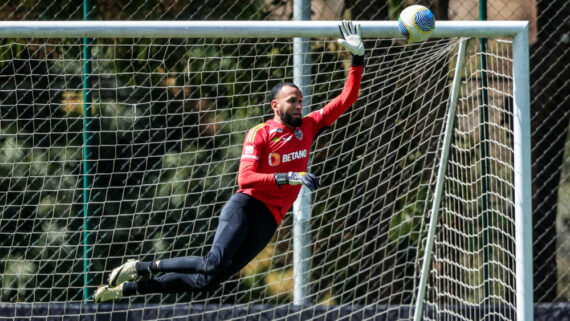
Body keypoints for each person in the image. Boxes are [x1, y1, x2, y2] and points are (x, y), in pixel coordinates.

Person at [94, 20, 365, 303]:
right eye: (292, 100)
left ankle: (126, 290)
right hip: (246, 207)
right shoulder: (260, 133)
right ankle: (140, 267)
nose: (299, 105)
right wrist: (290, 177)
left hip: (269, 219)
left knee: (206, 281)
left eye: (300, 101)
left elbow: (348, 97)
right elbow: (245, 179)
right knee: (213, 262)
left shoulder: (309, 126)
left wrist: (357, 57)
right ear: (275, 105)